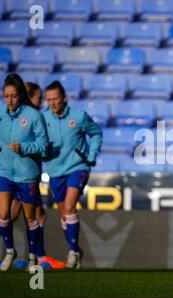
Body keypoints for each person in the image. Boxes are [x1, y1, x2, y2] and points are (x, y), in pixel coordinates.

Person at [0, 81, 65, 269]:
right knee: (25, 215)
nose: (42, 101)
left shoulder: (33, 117)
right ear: (29, 97)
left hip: (28, 172)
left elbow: (43, 143)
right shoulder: (27, 116)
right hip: (20, 174)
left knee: (21, 214)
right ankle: (38, 257)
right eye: (39, 98)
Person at [43, 80, 102, 269]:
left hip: (78, 167)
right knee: (63, 213)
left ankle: (72, 252)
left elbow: (96, 133)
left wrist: (91, 155)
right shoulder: (43, 119)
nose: (52, 103)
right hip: (54, 171)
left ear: (64, 98)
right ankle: (74, 248)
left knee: (69, 207)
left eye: (56, 99)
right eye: (49, 99)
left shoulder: (78, 116)